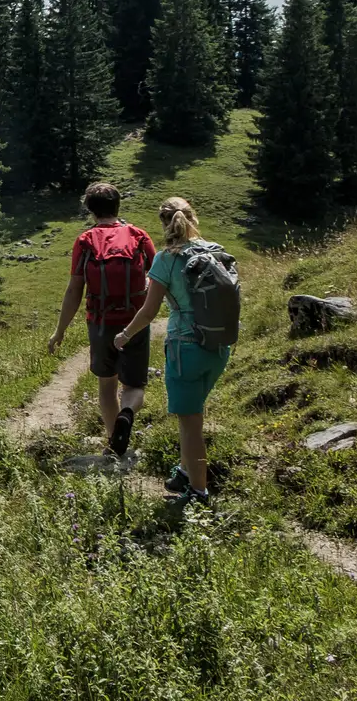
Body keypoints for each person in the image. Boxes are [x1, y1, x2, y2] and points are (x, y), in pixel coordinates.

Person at [115, 196, 229, 508]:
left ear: (165, 224)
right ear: (194, 218)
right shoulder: (217, 251)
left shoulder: (166, 260)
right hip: (219, 346)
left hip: (185, 348)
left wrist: (125, 334)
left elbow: (149, 312)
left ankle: (198, 492)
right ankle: (183, 470)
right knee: (194, 412)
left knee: (190, 423)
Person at [46, 181, 155, 458]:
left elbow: (74, 290)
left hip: (100, 321)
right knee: (134, 386)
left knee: (107, 385)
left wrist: (60, 331)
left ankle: (114, 444)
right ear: (118, 205)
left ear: (91, 211)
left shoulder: (85, 241)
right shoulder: (139, 236)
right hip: (136, 321)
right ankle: (127, 414)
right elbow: (161, 279)